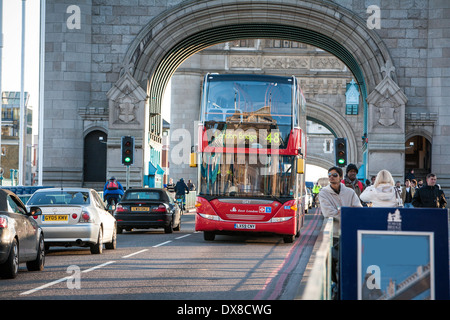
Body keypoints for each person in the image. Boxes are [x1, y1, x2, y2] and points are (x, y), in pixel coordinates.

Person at [319, 166, 362, 299]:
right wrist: (346, 212)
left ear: (341, 177)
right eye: (329, 175)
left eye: (335, 175)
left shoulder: (350, 192)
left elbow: (358, 209)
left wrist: (340, 212)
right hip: (335, 234)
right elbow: (328, 213)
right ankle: (336, 284)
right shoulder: (323, 192)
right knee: (332, 261)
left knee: (346, 262)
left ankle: (341, 287)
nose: (331, 177)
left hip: (349, 233)